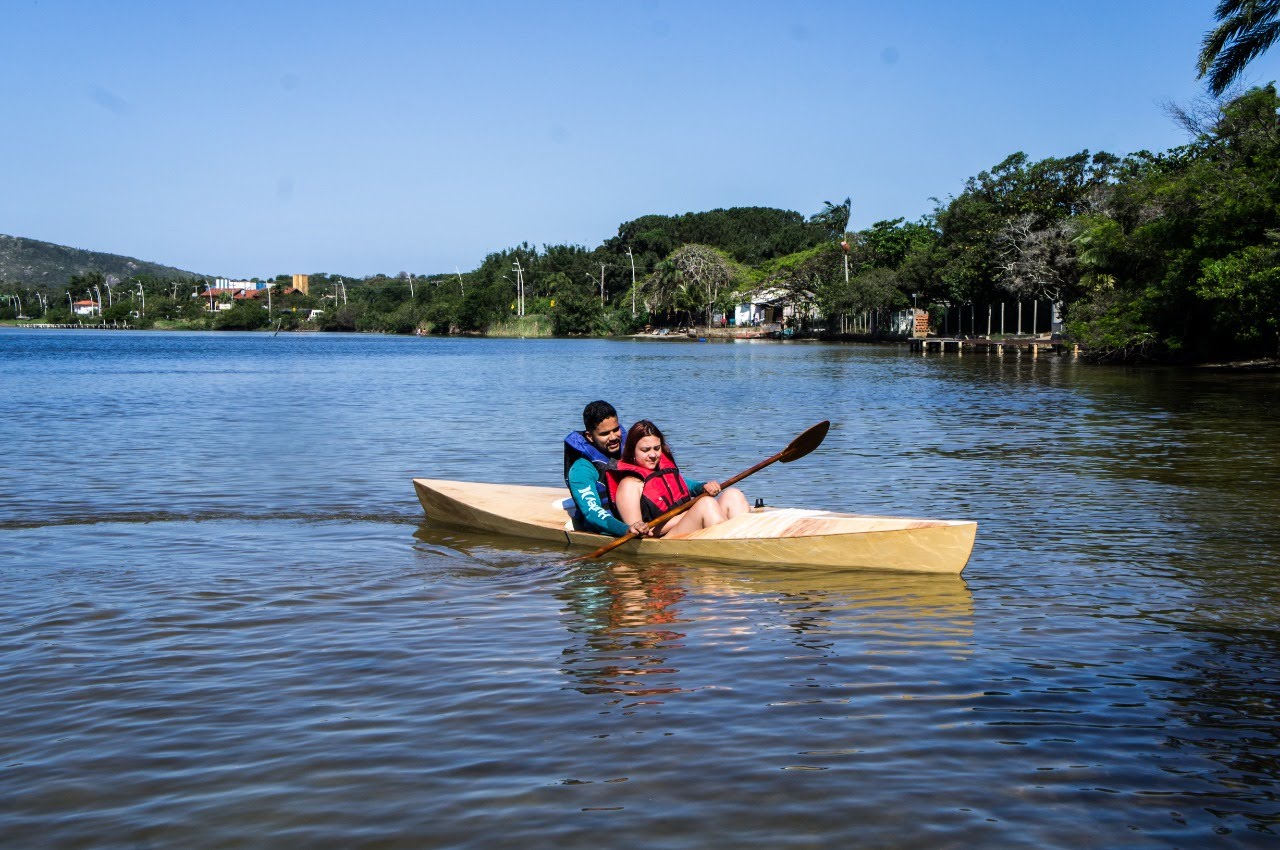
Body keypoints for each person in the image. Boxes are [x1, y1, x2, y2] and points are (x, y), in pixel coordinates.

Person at [607, 419, 749, 538]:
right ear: (632, 452)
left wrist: (703, 487)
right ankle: (733, 547)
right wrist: (688, 514)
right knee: (706, 504)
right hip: (663, 539)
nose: (653, 455)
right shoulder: (629, 485)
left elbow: (686, 487)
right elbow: (642, 534)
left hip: (687, 524)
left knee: (733, 495)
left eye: (656, 448)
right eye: (645, 450)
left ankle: (749, 540)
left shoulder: (663, 471)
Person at [564, 400, 648, 537]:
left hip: (641, 521)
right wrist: (626, 529)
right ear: (590, 436)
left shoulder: (628, 452)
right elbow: (592, 512)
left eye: (616, 429)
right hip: (613, 530)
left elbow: (659, 478)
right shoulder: (581, 469)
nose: (613, 437)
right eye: (605, 434)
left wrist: (696, 488)